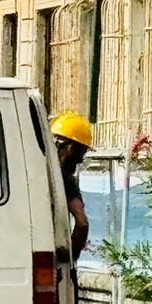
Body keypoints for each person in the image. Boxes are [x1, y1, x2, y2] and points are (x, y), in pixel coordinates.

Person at [49, 112, 92, 261]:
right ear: (70, 148)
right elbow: (82, 223)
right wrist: (70, 259)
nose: (80, 160)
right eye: (81, 152)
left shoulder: (35, 172)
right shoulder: (64, 179)